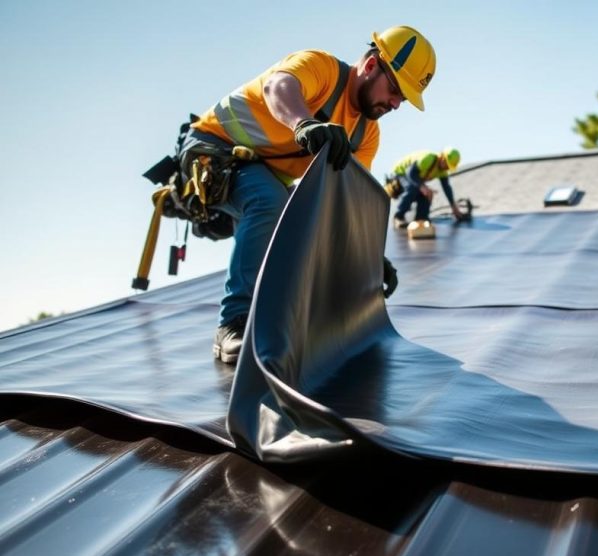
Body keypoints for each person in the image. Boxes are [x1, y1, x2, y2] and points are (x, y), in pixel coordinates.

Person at [179, 25, 436, 364]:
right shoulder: (322, 69)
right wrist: (303, 123)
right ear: (372, 66)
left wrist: (370, 260)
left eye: (403, 98)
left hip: (260, 171)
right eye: (395, 90)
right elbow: (278, 86)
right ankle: (232, 325)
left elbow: (345, 204)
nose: (395, 103)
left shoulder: (365, 134)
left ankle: (279, 320)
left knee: (303, 220)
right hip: (212, 149)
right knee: (269, 201)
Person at [388, 148, 464, 228]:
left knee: (426, 193)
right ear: (442, 158)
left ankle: (421, 219)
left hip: (413, 179)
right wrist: (422, 187)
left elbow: (446, 188)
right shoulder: (428, 159)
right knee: (414, 188)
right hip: (400, 174)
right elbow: (410, 173)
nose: (447, 168)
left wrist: (453, 206)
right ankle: (398, 217)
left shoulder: (442, 171)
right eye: (447, 165)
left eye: (449, 167)